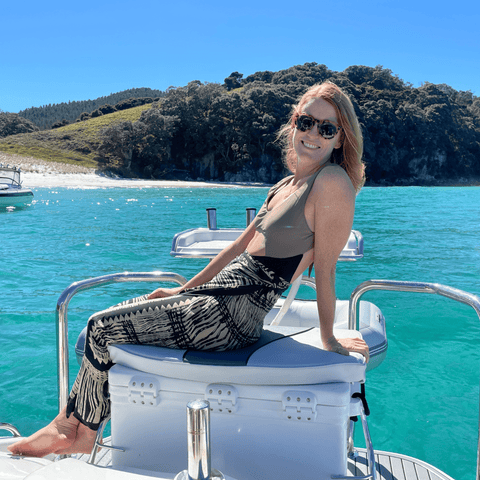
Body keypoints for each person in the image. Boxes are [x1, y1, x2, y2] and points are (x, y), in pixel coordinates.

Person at [9, 81, 369, 458]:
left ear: (340, 139)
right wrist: (183, 291)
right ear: (294, 122)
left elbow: (325, 270)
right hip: (218, 298)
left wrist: (330, 340)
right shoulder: (285, 184)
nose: (313, 134)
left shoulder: (331, 183)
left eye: (326, 128)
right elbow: (236, 248)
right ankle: (78, 427)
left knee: (101, 326)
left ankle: (72, 430)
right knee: (120, 312)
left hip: (233, 315)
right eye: (306, 122)